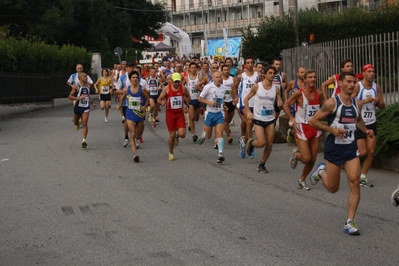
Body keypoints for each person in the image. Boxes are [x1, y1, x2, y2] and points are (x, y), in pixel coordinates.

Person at [309, 72, 374, 235]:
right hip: (334, 149)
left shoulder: (355, 103)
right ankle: (321, 171)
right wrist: (331, 129)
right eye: (349, 82)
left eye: (354, 82)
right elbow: (314, 121)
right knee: (333, 188)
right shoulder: (332, 103)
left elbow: (357, 120)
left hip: (350, 149)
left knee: (354, 182)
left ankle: (350, 222)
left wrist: (365, 130)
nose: (352, 85)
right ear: (341, 83)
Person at [283, 70, 324, 190]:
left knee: (313, 158)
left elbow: (323, 108)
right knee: (306, 158)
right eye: (310, 77)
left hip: (315, 128)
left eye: (314, 77)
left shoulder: (319, 94)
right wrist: (291, 118)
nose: (312, 79)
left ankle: (302, 180)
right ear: (305, 80)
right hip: (302, 127)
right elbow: (286, 105)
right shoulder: (299, 94)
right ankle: (296, 155)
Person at [352, 64, 386, 187]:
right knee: (362, 152)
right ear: (364, 73)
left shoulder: (376, 87)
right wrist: (363, 101)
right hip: (359, 123)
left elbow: (383, 106)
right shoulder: (358, 86)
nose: (372, 74)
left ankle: (363, 176)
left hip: (372, 122)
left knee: (371, 152)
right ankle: (348, 161)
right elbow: (350, 102)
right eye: (369, 71)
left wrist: (378, 103)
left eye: (373, 71)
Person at [244, 66, 282, 173]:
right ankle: (251, 143)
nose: (272, 75)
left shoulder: (276, 89)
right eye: (269, 73)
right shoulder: (257, 87)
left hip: (270, 119)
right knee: (261, 143)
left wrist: (280, 102)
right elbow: (246, 99)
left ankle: (262, 164)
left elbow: (279, 99)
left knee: (269, 143)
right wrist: (248, 112)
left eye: (273, 73)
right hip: (258, 118)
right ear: (264, 74)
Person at [117, 71, 149, 163]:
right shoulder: (127, 89)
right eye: (133, 77)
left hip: (139, 114)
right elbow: (122, 98)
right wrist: (120, 105)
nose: (135, 79)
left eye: (136, 77)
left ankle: (136, 141)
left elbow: (148, 99)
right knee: (133, 133)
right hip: (130, 114)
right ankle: (135, 154)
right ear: (130, 79)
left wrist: (145, 106)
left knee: (138, 135)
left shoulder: (142, 89)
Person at [157, 73, 190, 161]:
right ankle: (171, 152)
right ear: (171, 81)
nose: (176, 83)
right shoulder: (167, 88)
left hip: (179, 114)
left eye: (178, 81)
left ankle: (177, 136)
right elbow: (159, 99)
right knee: (172, 135)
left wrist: (187, 105)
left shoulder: (183, 88)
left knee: (182, 134)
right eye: (175, 82)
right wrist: (162, 103)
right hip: (170, 114)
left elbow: (188, 96)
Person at [197, 71, 228, 163]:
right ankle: (203, 135)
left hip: (219, 113)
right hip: (210, 113)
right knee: (208, 136)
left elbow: (221, 99)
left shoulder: (223, 88)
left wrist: (224, 105)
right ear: (213, 78)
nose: (219, 79)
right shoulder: (208, 87)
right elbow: (200, 98)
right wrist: (209, 103)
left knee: (219, 134)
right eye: (217, 77)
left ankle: (220, 153)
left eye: (220, 77)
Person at [235, 56, 259, 159]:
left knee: (248, 124)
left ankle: (243, 142)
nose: (249, 64)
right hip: (244, 103)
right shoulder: (241, 76)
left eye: (251, 62)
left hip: (255, 104)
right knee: (248, 122)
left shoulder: (258, 76)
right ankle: (251, 146)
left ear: (253, 64)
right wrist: (235, 97)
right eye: (247, 62)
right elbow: (234, 86)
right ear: (245, 64)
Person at [68, 72, 97, 148]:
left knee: (84, 123)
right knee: (76, 122)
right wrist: (78, 98)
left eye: (86, 77)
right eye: (85, 76)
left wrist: (92, 102)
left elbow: (88, 96)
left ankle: (84, 140)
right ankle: (76, 124)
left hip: (86, 107)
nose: (86, 78)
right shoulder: (76, 87)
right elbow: (70, 97)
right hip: (78, 107)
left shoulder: (88, 87)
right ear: (80, 78)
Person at [115, 62, 135, 148]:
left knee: (135, 122)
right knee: (127, 122)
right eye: (129, 67)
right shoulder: (122, 78)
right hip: (125, 103)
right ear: (126, 69)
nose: (130, 69)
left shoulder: (137, 77)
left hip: (135, 102)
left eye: (131, 67)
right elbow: (116, 90)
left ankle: (135, 138)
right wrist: (124, 91)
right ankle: (126, 137)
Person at [284, 66, 307, 143]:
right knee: (296, 127)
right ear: (297, 74)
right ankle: (298, 145)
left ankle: (291, 133)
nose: (303, 74)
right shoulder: (293, 83)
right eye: (301, 72)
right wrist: (287, 100)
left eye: (305, 72)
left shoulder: (307, 83)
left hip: (303, 108)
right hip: (294, 108)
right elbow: (286, 91)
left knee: (298, 128)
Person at [185, 62, 202, 142]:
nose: (193, 69)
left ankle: (192, 128)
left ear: (197, 68)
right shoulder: (186, 78)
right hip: (191, 100)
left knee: (196, 118)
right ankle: (193, 134)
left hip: (198, 99)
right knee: (191, 117)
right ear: (189, 69)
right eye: (192, 68)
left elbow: (204, 85)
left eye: (195, 67)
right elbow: (182, 87)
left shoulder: (199, 77)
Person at [221, 64, 237, 144]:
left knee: (229, 119)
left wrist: (235, 98)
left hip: (231, 101)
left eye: (227, 70)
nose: (226, 71)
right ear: (222, 71)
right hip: (223, 102)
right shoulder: (220, 80)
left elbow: (234, 90)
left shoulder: (232, 79)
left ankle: (227, 127)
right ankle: (228, 136)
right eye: (225, 70)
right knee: (226, 119)